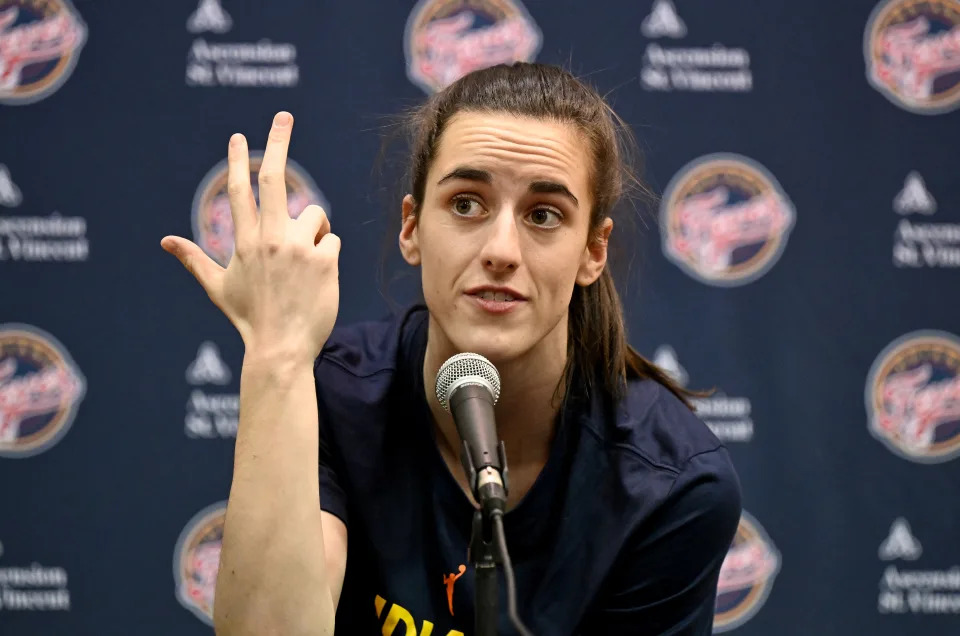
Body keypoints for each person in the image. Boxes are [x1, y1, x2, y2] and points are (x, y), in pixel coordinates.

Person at [161, 62, 742, 635]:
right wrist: (277, 353)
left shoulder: (671, 485)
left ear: (593, 250)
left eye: (544, 215)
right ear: (412, 227)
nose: (501, 250)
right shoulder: (330, 394)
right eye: (466, 204)